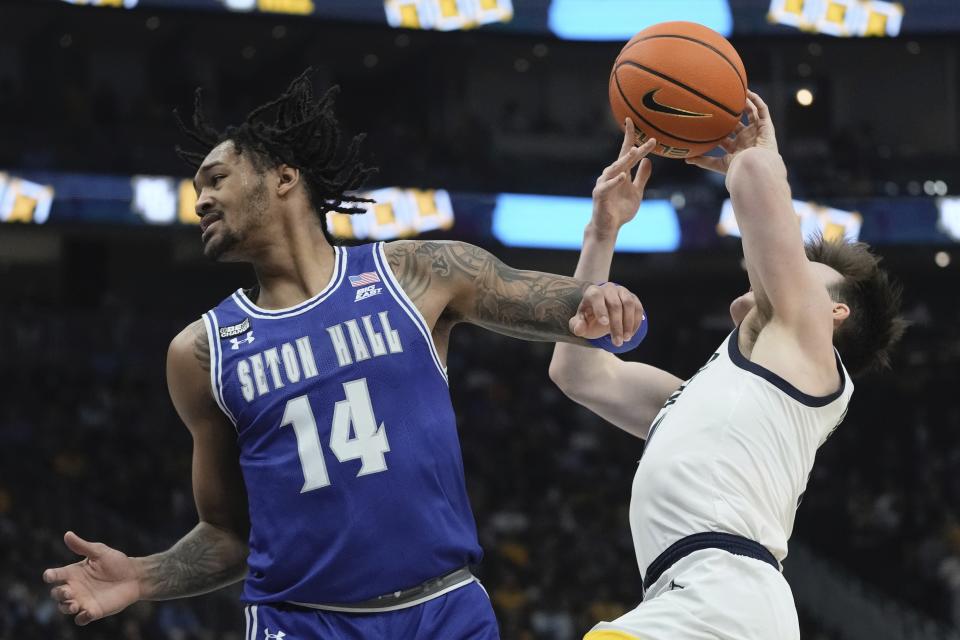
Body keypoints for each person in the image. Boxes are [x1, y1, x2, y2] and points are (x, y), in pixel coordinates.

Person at [42, 70, 644, 639]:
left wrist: (598, 298)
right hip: (305, 622)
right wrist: (141, 576)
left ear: (283, 177)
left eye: (216, 179)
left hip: (444, 611)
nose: (200, 199)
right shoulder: (202, 352)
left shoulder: (414, 274)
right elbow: (229, 534)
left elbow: (555, 304)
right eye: (197, 188)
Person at [549, 94, 906, 640]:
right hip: (699, 601)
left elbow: (759, 194)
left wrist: (754, 149)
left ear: (833, 313)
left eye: (801, 270)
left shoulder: (812, 354)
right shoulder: (707, 398)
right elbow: (578, 374)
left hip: (723, 599)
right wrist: (603, 233)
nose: (778, 268)